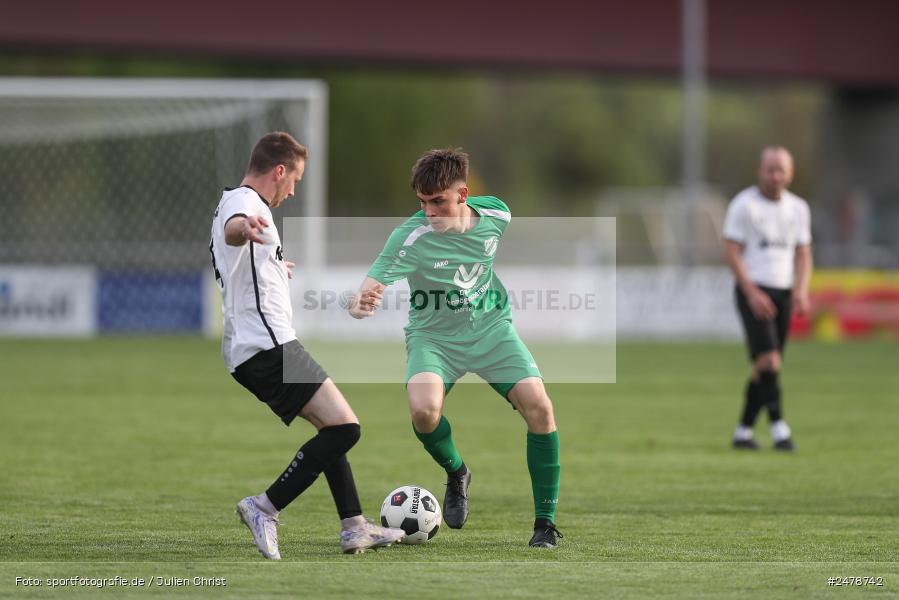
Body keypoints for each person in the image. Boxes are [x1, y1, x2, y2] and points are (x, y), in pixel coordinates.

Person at [348, 148, 562, 548]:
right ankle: (457, 471)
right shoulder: (409, 237)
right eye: (422, 203)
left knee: (540, 407)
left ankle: (545, 524)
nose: (429, 212)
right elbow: (368, 290)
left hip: (492, 331)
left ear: (463, 195)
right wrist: (359, 305)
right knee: (424, 412)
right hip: (434, 339)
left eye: (438, 202)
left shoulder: (497, 215)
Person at [208, 132, 405, 557]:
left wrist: (276, 264)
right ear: (278, 171)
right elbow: (233, 230)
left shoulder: (244, 204)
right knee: (346, 428)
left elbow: (242, 254)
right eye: (294, 178)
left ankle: (354, 526)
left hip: (260, 347)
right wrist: (246, 229)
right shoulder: (245, 204)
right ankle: (264, 506)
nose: (294, 189)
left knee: (331, 427)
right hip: (267, 348)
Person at [723, 146, 813, 451]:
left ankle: (743, 432)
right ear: (759, 171)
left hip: (783, 292)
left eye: (781, 170)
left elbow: (803, 253)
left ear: (790, 174)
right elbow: (731, 251)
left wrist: (801, 290)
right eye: (770, 169)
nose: (775, 176)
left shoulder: (798, 209)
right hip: (753, 291)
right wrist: (751, 291)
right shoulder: (744, 205)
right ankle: (780, 430)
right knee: (770, 361)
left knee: (766, 368)